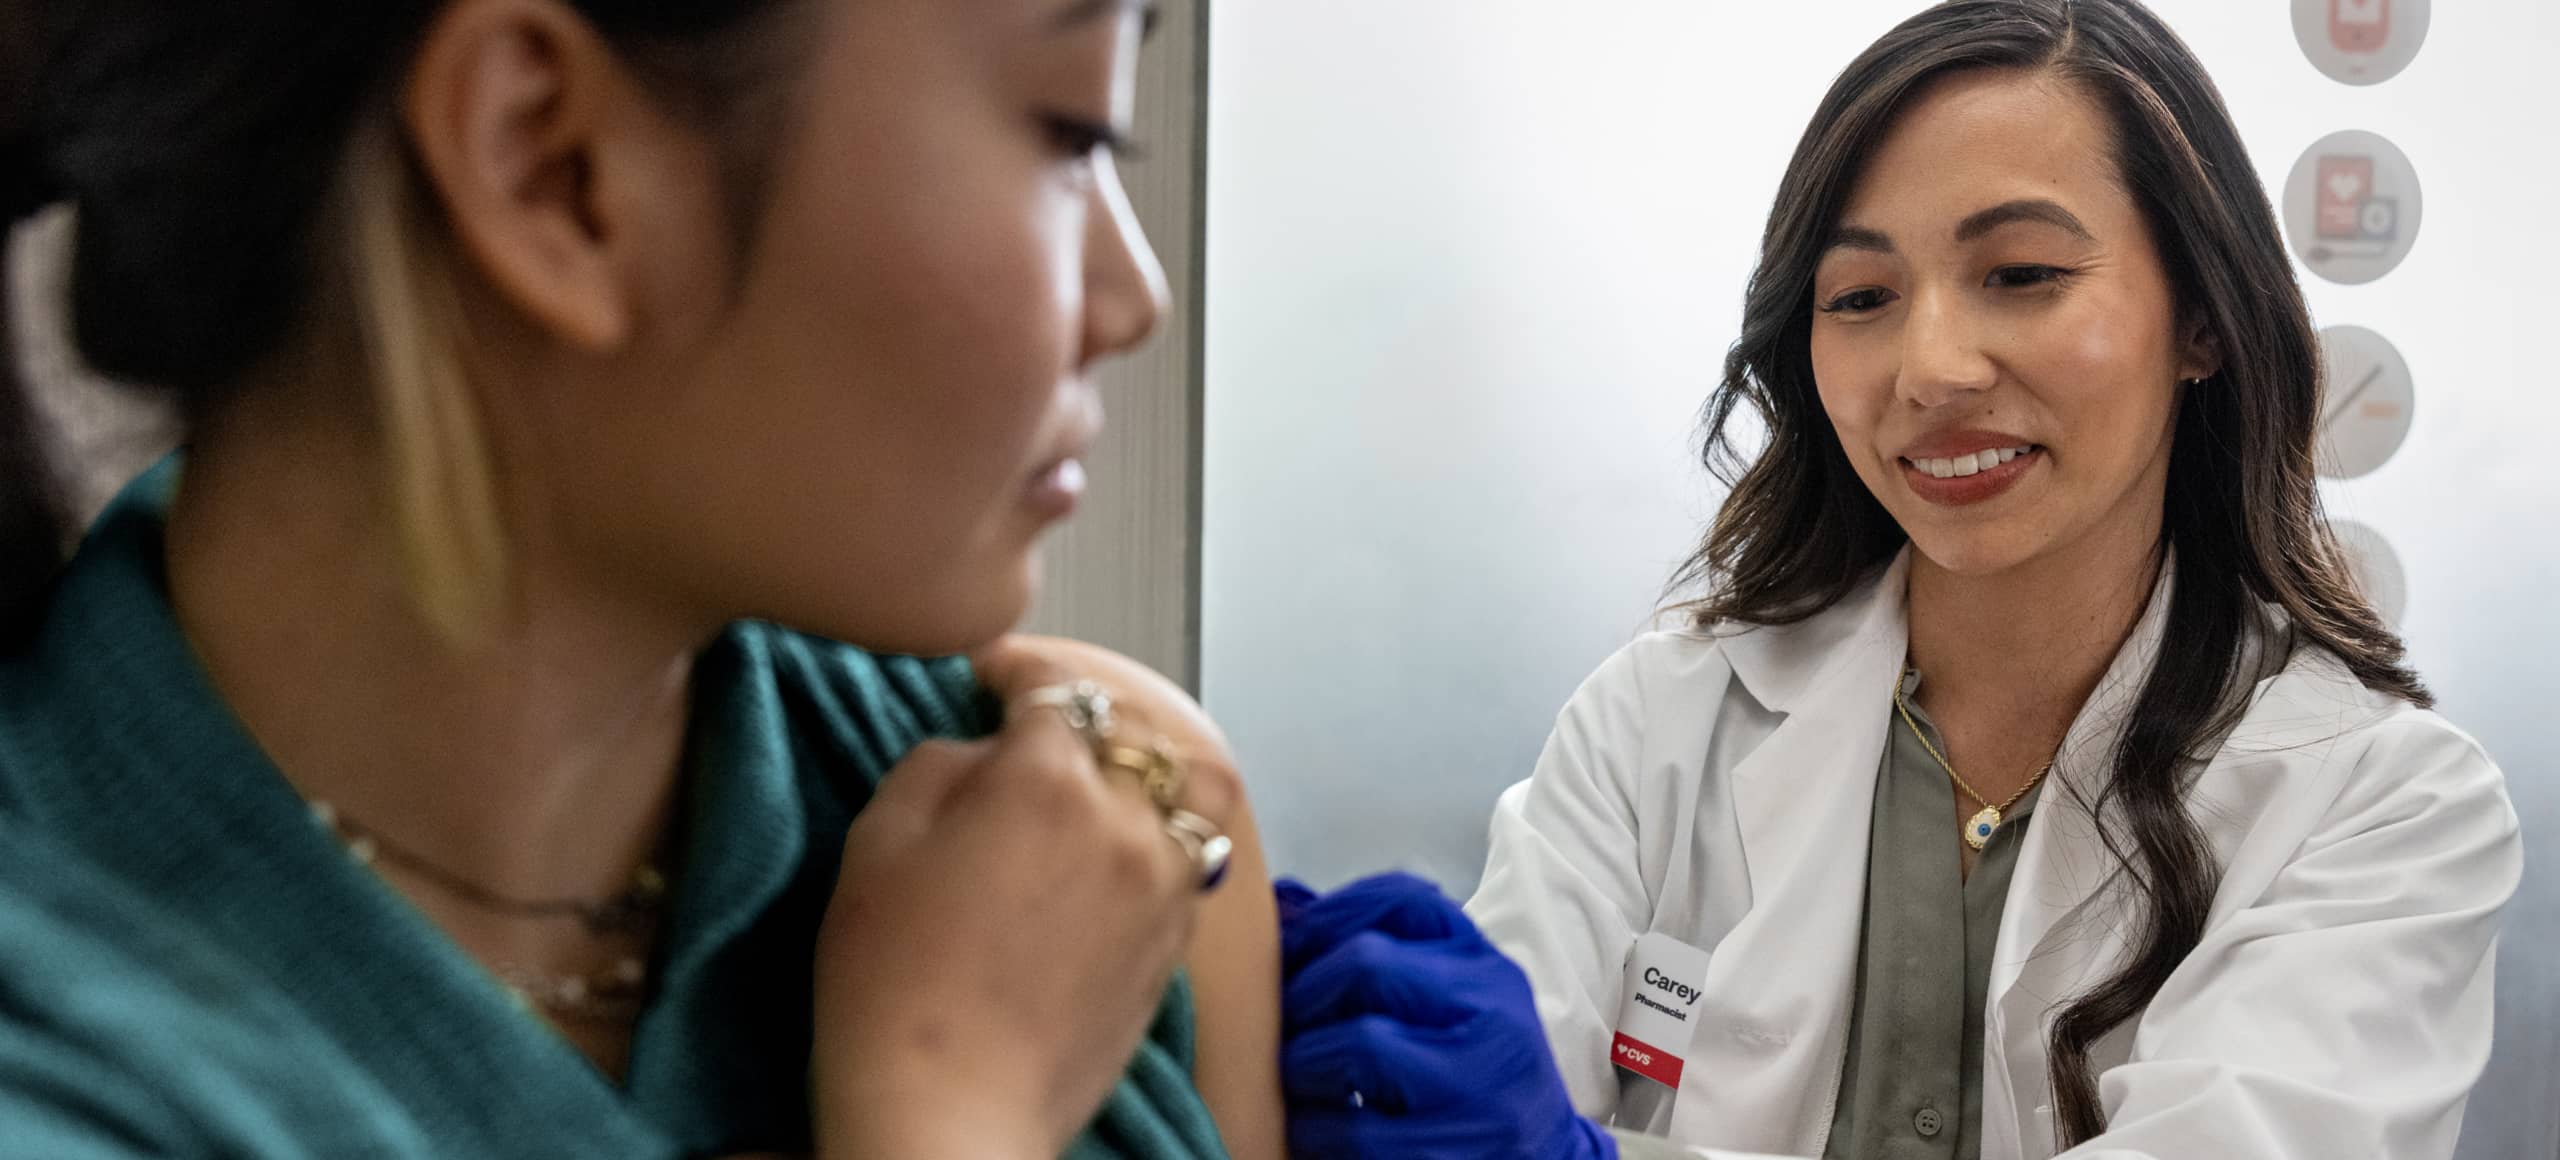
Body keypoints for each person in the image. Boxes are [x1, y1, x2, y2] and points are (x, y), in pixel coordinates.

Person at [0, 0, 1283, 1157]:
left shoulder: (1085, 851)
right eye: (1070, 133)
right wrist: (952, 1112)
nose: (1134, 297)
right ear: (551, 166)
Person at [1273, 2, 2522, 1158]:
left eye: (2021, 273)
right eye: (1860, 295)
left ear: (2201, 315)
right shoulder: (1658, 728)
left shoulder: (2384, 809)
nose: (1928, 367)